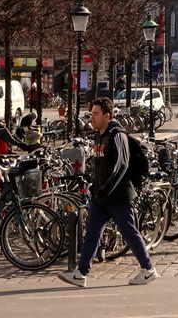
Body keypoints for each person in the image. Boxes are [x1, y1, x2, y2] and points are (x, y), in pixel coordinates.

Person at [57, 96, 159, 288]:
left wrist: (106, 189)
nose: (91, 118)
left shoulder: (117, 135)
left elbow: (122, 165)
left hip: (118, 196)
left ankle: (148, 269)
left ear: (107, 115)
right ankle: (81, 273)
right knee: (92, 233)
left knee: (129, 232)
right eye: (91, 114)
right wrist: (95, 188)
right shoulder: (98, 135)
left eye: (95, 114)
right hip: (100, 197)